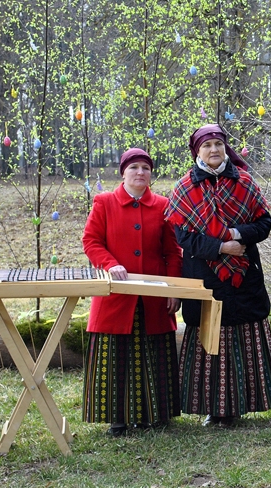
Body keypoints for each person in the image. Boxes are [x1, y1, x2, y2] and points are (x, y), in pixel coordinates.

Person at [166, 124, 271, 427]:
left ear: (225, 148)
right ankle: (214, 409)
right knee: (210, 335)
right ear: (197, 151)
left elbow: (264, 224)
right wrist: (220, 247)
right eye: (207, 146)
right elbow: (183, 238)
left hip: (244, 275)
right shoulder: (184, 188)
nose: (214, 150)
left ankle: (245, 402)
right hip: (203, 274)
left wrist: (236, 235)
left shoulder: (244, 181)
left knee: (243, 333)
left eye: (218, 144)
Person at [82, 148, 183, 436]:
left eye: (146, 168)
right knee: (117, 355)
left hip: (153, 297)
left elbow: (173, 253)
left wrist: (172, 289)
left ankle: (155, 415)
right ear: (123, 172)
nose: (141, 172)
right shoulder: (104, 202)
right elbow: (91, 241)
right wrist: (110, 264)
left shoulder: (164, 205)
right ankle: (118, 418)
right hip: (115, 296)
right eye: (134, 167)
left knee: (153, 351)